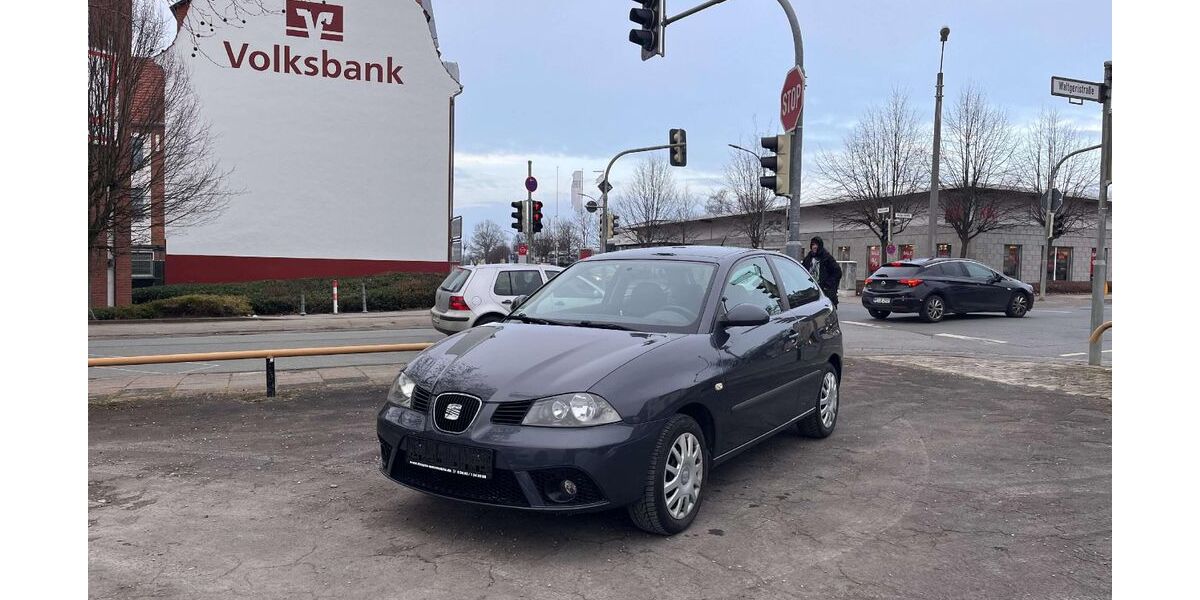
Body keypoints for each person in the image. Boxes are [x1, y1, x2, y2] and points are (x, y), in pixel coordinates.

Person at [802, 236, 842, 308]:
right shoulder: (808, 257)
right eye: (813, 245)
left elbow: (837, 272)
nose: (814, 247)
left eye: (816, 245)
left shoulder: (826, 257)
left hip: (824, 291)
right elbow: (803, 270)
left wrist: (828, 284)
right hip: (811, 289)